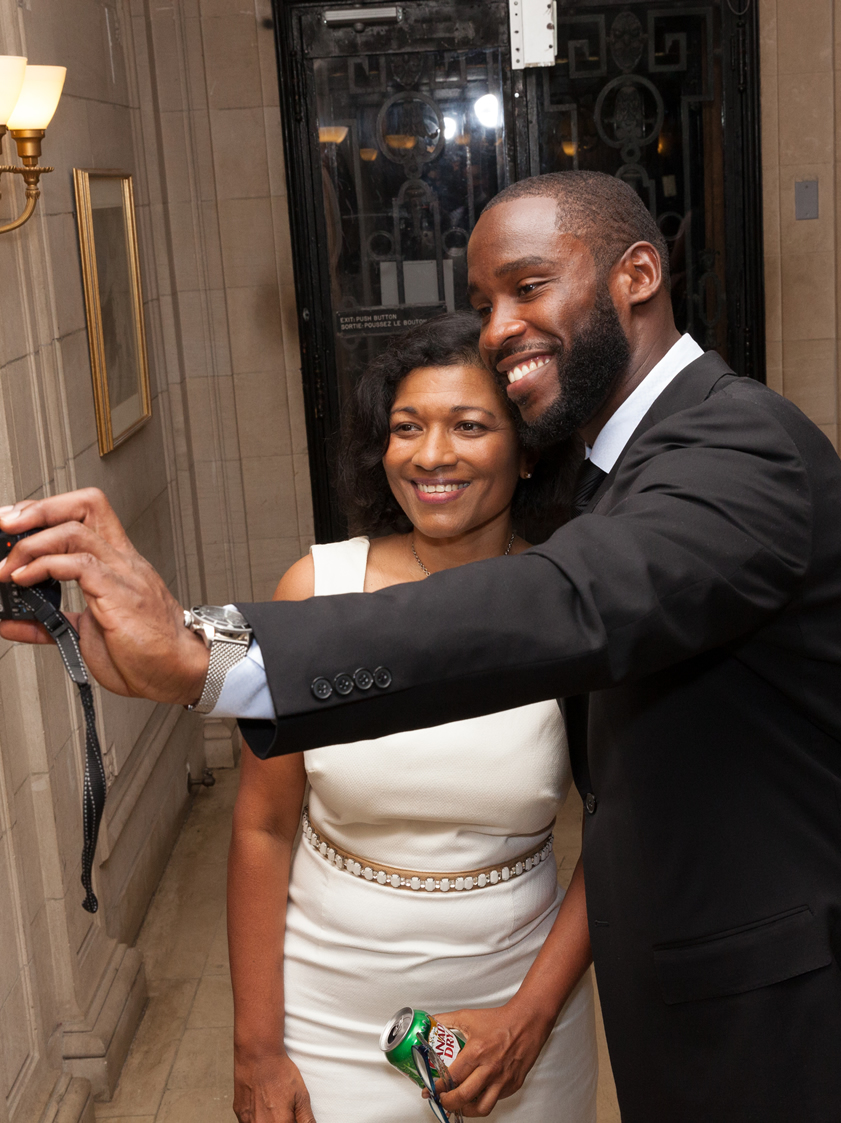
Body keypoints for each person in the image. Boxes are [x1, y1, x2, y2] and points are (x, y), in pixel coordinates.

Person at [0, 171, 841, 1121]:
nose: (499, 326)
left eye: (528, 286)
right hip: (717, 1000)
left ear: (637, 274)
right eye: (484, 302)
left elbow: (563, 601)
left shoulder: (736, 445)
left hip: (806, 1008)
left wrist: (210, 654)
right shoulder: (623, 469)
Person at [227, 313, 595, 1123]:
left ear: (527, 450)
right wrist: (255, 1048)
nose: (431, 455)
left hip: (521, 1009)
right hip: (330, 1015)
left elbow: (623, 833)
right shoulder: (313, 591)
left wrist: (528, 1020)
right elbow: (262, 824)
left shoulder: (573, 604)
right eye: (406, 427)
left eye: (469, 425)